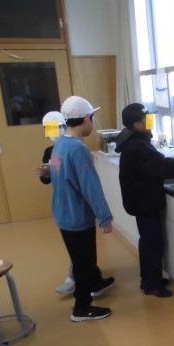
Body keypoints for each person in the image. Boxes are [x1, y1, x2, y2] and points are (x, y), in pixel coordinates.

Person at [49, 96, 115, 321]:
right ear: (87, 119)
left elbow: (57, 173)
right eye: (93, 118)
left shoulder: (60, 144)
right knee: (83, 262)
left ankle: (95, 284)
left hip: (63, 214)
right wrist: (105, 217)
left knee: (80, 258)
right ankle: (82, 307)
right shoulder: (78, 149)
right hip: (77, 216)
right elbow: (90, 187)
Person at [115, 103, 174, 298]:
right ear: (137, 125)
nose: (151, 122)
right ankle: (152, 285)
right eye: (147, 119)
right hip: (143, 202)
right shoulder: (138, 146)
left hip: (139, 200)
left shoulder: (133, 141)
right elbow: (161, 166)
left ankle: (148, 279)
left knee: (148, 242)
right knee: (152, 243)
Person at [35, 111, 75, 295]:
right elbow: (47, 179)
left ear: (64, 126)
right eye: (48, 129)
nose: (52, 133)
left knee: (80, 243)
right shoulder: (49, 152)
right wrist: (46, 172)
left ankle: (77, 277)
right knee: (75, 243)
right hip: (62, 202)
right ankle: (84, 276)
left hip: (77, 200)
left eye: (55, 128)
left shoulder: (74, 147)